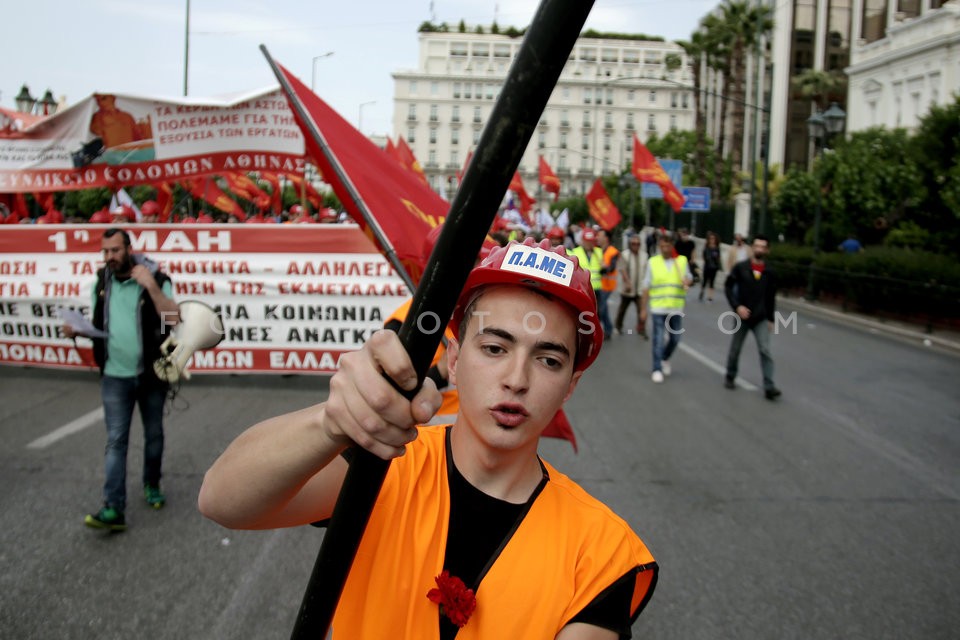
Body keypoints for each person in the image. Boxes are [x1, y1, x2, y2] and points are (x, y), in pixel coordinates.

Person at [199, 238, 659, 639]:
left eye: (549, 360)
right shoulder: (384, 464)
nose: (516, 379)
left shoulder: (602, 552)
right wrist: (334, 421)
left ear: (571, 385)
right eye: (495, 348)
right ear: (454, 360)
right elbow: (222, 501)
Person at [63, 228, 180, 531]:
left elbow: (173, 319)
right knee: (116, 441)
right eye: (105, 252)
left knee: (153, 435)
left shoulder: (158, 278)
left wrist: (151, 286)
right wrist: (77, 330)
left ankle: (152, 484)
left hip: (151, 375)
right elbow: (98, 321)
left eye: (115, 250)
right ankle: (113, 507)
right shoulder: (102, 282)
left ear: (129, 249)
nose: (110, 257)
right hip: (114, 376)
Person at [723, 234, 781, 400]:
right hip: (742, 316)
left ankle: (769, 386)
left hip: (760, 317)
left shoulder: (770, 272)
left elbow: (771, 296)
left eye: (763, 247)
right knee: (736, 349)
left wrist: (771, 318)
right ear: (752, 248)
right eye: (756, 246)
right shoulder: (741, 268)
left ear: (767, 250)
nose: (759, 249)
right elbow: (728, 287)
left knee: (765, 350)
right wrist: (737, 307)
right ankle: (730, 375)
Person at [640, 235, 692, 383]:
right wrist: (643, 309)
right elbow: (646, 286)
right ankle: (656, 368)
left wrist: (687, 280)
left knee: (675, 338)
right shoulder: (653, 262)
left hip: (676, 307)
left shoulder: (681, 261)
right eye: (662, 246)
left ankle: (665, 357)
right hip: (658, 308)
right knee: (658, 339)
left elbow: (689, 278)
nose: (665, 249)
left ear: (672, 246)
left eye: (667, 246)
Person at [569, 227, 604, 337]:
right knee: (583, 314)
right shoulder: (575, 252)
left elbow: (604, 269)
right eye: (587, 241)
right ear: (582, 240)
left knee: (597, 314)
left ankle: (594, 334)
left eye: (591, 241)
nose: (589, 244)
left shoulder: (598, 252)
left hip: (597, 289)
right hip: (583, 290)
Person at [615, 232, 648, 339]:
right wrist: (627, 282)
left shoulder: (644, 256)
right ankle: (618, 326)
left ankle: (641, 329)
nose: (635, 245)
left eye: (637, 244)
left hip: (639, 289)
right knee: (622, 309)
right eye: (633, 243)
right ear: (630, 244)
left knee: (641, 310)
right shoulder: (625, 254)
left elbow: (647, 271)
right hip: (628, 289)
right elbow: (622, 269)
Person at [596, 228, 619, 340]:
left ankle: (606, 330)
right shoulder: (598, 250)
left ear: (606, 238)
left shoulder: (613, 251)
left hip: (608, 285)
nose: (597, 238)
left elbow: (612, 267)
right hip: (598, 284)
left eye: (600, 236)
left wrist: (603, 268)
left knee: (602, 308)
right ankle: (606, 329)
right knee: (601, 308)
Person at [699, 231, 722, 302]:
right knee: (705, 280)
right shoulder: (706, 247)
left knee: (712, 281)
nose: (712, 240)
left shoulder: (717, 248)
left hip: (714, 267)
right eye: (711, 239)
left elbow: (718, 257)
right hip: (707, 266)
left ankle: (710, 296)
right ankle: (702, 291)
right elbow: (703, 255)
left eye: (713, 239)